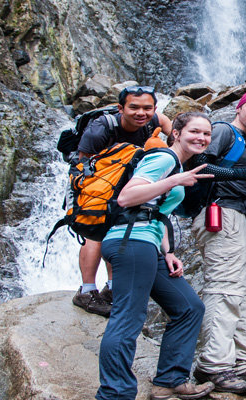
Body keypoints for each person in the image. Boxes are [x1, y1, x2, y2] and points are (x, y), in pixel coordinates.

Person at [96, 112, 214, 400]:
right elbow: (127, 198)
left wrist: (168, 251)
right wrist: (173, 180)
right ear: (176, 133)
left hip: (147, 244)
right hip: (130, 242)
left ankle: (170, 380)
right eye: (194, 131)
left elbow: (156, 212)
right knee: (128, 317)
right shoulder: (163, 159)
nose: (201, 138)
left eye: (206, 134)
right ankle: (115, 393)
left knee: (188, 307)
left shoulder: (178, 165)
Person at [189, 90, 246, 393]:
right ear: (238, 108)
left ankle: (242, 360)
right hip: (219, 213)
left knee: (245, 292)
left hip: (237, 217)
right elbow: (200, 166)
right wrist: (244, 173)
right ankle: (213, 365)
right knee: (225, 287)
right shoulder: (225, 130)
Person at [72, 86, 173, 318]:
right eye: (134, 107)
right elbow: (82, 164)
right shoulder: (101, 128)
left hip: (127, 177)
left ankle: (112, 287)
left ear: (154, 109)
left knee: (118, 225)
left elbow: (170, 127)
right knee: (95, 228)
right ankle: (86, 290)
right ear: (121, 108)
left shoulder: (155, 120)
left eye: (147, 108)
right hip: (94, 178)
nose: (141, 113)